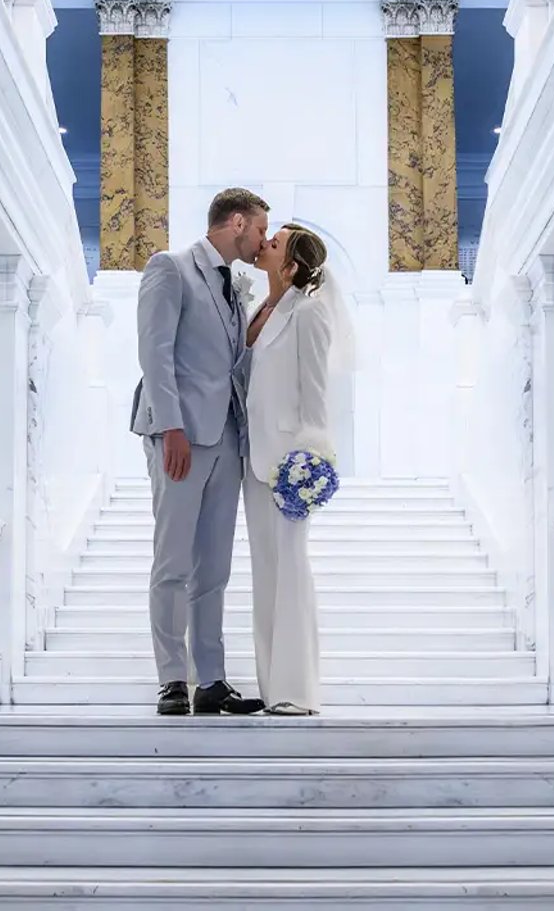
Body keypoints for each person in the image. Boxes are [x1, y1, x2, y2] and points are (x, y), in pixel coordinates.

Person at [130, 187, 268, 716]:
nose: (261, 240)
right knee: (173, 560)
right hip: (181, 436)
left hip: (228, 437)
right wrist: (171, 428)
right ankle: (171, 679)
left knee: (214, 568)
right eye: (259, 230)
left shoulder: (235, 285)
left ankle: (211, 678)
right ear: (236, 222)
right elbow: (155, 352)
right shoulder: (170, 267)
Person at [242, 223, 348, 715]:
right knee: (265, 573)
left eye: (275, 242)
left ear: (291, 266)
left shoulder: (309, 314)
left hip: (288, 466)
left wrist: (309, 459)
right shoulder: (257, 310)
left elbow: (316, 398)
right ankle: (271, 687)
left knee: (291, 572)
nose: (263, 243)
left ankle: (296, 690)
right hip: (252, 461)